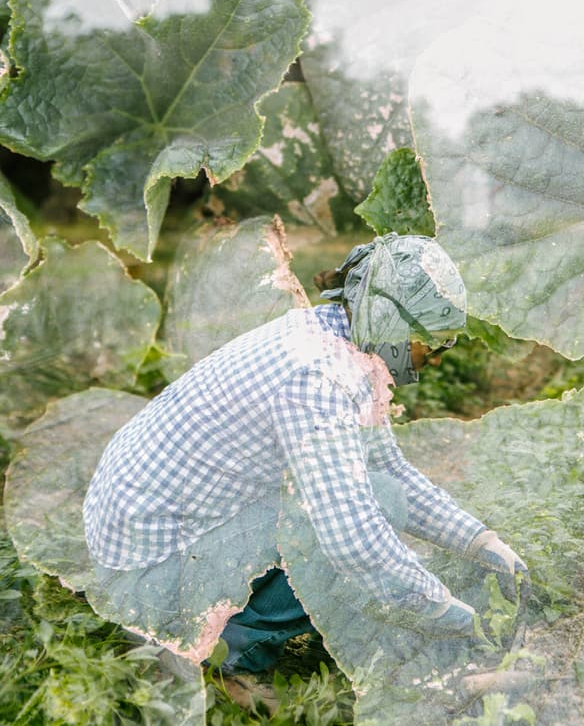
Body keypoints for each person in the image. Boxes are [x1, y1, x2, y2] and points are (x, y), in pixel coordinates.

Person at [82, 233, 527, 692]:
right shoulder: (317, 380)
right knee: (362, 522)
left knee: (377, 495)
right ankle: (231, 654)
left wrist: (481, 542)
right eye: (429, 341)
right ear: (388, 320)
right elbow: (353, 540)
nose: (434, 357)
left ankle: (247, 624)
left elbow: (388, 469)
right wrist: (451, 616)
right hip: (150, 578)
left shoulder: (336, 341)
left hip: (158, 536)